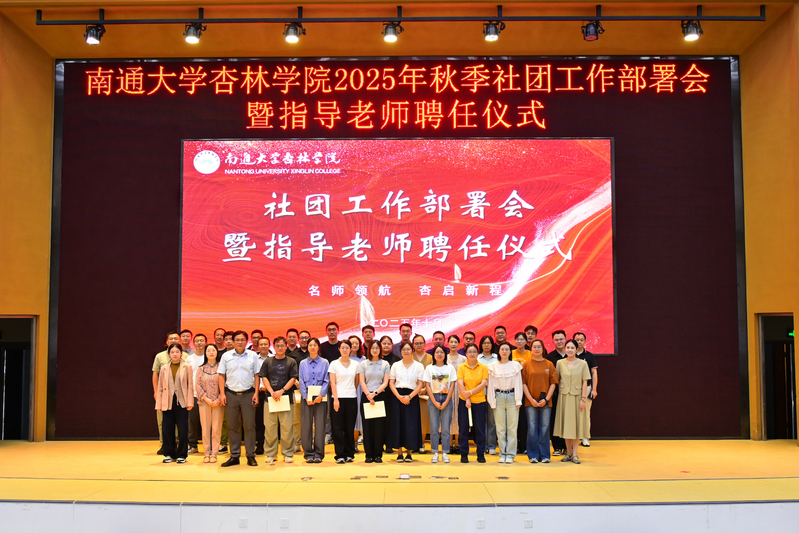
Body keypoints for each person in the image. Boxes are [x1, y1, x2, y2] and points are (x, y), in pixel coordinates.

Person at [218, 331, 260, 467]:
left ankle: (250, 456)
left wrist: (256, 393)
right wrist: (222, 394)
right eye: (237, 340)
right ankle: (234, 456)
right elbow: (221, 375)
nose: (240, 342)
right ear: (233, 341)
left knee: (249, 426)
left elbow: (257, 375)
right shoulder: (226, 356)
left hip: (248, 394)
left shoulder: (253, 355)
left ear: (247, 341)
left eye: (242, 340)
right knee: (232, 427)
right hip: (231, 394)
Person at [259, 336, 299, 464]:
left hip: (286, 398)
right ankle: (271, 453)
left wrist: (282, 391)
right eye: (277, 345)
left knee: (287, 427)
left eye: (282, 345)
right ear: (274, 347)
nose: (280, 348)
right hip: (270, 399)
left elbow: (293, 378)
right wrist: (271, 392)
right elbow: (264, 377)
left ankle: (288, 453)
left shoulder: (291, 361)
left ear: (286, 346)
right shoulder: (268, 361)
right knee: (270, 427)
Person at [155, 343, 194, 463]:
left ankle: (182, 454)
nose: (175, 354)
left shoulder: (187, 367)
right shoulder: (164, 368)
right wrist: (159, 404)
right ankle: (169, 454)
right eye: (172, 352)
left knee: (183, 429)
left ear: (181, 353)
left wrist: (190, 402)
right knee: (167, 429)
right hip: (167, 401)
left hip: (182, 402)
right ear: (169, 354)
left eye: (177, 352)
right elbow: (160, 387)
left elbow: (190, 385)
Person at [553, 339, 590, 464]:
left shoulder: (583, 363)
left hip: (577, 397)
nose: (569, 350)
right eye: (568, 347)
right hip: (564, 398)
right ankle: (568, 453)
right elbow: (557, 379)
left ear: (576, 349)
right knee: (566, 427)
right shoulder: (560, 363)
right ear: (565, 349)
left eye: (572, 348)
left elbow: (585, 381)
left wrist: (583, 399)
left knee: (576, 426)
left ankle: (575, 454)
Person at [522, 339, 558, 463]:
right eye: (534, 347)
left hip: (546, 403)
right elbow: (523, 383)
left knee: (544, 427)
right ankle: (533, 455)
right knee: (532, 427)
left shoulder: (549, 364)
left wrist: (546, 399)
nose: (537, 349)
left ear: (543, 349)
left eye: (539, 347)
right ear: (531, 349)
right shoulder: (526, 364)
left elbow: (553, 383)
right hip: (530, 402)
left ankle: (545, 455)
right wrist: (531, 399)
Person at [487, 342, 524, 464]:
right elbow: (490, 385)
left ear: (510, 352)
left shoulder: (515, 365)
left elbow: (518, 383)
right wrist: (492, 401)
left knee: (512, 427)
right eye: (502, 349)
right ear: (499, 351)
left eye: (506, 349)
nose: (504, 351)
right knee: (500, 428)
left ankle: (510, 454)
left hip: (512, 397)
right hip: (499, 397)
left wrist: (518, 399)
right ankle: (502, 453)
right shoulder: (493, 366)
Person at [388, 341, 424, 462]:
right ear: (401, 352)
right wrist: (399, 397)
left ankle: (409, 453)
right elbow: (391, 383)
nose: (406, 351)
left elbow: (420, 384)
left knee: (411, 425)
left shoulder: (419, 366)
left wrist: (409, 396)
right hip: (397, 396)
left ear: (413, 351)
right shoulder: (396, 365)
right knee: (397, 424)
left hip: (412, 397)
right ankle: (399, 453)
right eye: (404, 350)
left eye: (408, 349)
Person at [357, 340, 390, 463]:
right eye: (372, 348)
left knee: (379, 427)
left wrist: (374, 394)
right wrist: (368, 395)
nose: (375, 350)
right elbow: (361, 381)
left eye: (377, 348)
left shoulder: (385, 364)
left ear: (380, 349)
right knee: (367, 427)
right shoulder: (363, 364)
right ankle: (368, 455)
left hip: (380, 396)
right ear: (369, 350)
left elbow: (385, 383)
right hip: (366, 396)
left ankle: (378, 455)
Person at [423, 345, 457, 463]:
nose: (439, 354)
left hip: (447, 397)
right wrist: (434, 401)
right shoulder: (429, 368)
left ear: (445, 354)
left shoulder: (450, 368)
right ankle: (435, 452)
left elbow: (452, 385)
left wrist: (447, 401)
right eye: (437, 352)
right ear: (433, 354)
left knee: (446, 428)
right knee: (434, 428)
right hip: (433, 398)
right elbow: (427, 386)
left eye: (441, 352)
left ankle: (445, 452)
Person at [298, 338, 329, 463]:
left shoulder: (325, 362)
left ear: (318, 347)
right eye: (310, 345)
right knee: (306, 425)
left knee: (320, 425)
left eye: (314, 345)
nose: (312, 347)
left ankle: (319, 454)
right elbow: (301, 380)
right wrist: (305, 397)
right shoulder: (302, 363)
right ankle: (308, 453)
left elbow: (327, 380)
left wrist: (321, 395)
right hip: (306, 397)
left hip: (321, 398)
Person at [152, 331, 183, 454]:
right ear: (167, 341)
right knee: (163, 420)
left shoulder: (185, 356)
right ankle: (164, 444)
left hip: (180, 394)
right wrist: (156, 391)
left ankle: (179, 444)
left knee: (180, 421)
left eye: (176, 338)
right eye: (171, 338)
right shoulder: (160, 356)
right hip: (165, 393)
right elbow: (155, 374)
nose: (173, 340)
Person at [457, 344, 488, 463]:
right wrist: (467, 398)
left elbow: (483, 383)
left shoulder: (483, 367)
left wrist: (470, 393)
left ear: (478, 354)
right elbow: (460, 383)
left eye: (474, 351)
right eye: (470, 351)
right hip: (464, 401)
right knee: (463, 428)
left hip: (479, 401)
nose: (472, 354)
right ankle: (464, 454)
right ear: (466, 354)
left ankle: (480, 453)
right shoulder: (462, 367)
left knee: (480, 429)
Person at [329, 339, 359, 463]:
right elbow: (332, 383)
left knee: (349, 427)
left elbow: (356, 382)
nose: (345, 350)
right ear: (339, 349)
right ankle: (340, 454)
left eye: (347, 347)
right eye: (343, 347)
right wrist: (336, 399)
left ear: (350, 349)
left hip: (351, 398)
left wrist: (350, 391)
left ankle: (349, 453)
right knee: (337, 428)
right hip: (337, 399)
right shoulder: (334, 364)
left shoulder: (356, 364)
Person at [195, 344, 224, 463]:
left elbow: (225, 384)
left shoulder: (222, 367)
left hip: (218, 403)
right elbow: (197, 385)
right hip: (204, 402)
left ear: (217, 352)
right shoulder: (201, 368)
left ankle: (214, 454)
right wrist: (206, 399)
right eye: (208, 350)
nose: (211, 352)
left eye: (213, 350)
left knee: (216, 429)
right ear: (205, 353)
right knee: (205, 429)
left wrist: (218, 399)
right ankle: (206, 453)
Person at [574, 332, 599, 448]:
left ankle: (585, 437)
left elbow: (594, 373)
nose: (579, 342)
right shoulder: (570, 354)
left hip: (587, 387)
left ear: (585, 341)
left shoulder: (589, 356)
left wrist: (594, 389)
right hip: (573, 388)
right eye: (577, 340)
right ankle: (573, 437)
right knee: (573, 413)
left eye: (581, 340)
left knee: (585, 413)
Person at [546, 330, 568, 456]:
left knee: (569, 419)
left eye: (561, 339)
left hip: (570, 393)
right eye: (556, 339)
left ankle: (568, 446)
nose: (559, 341)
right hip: (555, 394)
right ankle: (558, 447)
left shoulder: (572, 355)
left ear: (565, 340)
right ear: (553, 341)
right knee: (555, 419)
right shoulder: (550, 358)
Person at [185, 333, 207, 454]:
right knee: (192, 422)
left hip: (208, 396)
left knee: (207, 422)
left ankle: (209, 447)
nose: (199, 343)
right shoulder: (190, 359)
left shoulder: (209, 357)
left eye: (201, 341)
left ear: (206, 342)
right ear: (194, 343)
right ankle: (193, 445)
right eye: (197, 341)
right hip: (193, 394)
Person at [287, 329, 308, 454]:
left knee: (311, 419)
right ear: (298, 340)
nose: (304, 340)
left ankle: (311, 442)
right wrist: (295, 380)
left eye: (306, 337)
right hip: (297, 390)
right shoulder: (292, 354)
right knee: (296, 418)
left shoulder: (314, 352)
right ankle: (297, 442)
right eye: (302, 338)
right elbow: (289, 371)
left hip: (311, 390)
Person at [511, 332, 532, 455]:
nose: (519, 341)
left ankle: (523, 445)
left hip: (526, 388)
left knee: (524, 419)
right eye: (517, 339)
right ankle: (514, 446)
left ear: (526, 341)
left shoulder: (530, 354)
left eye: (522, 339)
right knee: (514, 419)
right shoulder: (511, 353)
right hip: (512, 388)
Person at [320, 322, 341, 444]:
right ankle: (328, 433)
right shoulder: (322, 347)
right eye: (329, 330)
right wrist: (327, 381)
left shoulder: (342, 345)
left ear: (338, 331)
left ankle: (339, 433)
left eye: (334, 329)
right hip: (326, 384)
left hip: (341, 383)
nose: (332, 332)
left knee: (339, 409)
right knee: (327, 410)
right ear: (326, 332)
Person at [477, 335, 498, 456]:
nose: (486, 345)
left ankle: (491, 446)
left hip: (494, 393)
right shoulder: (478, 358)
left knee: (492, 421)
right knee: (481, 421)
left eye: (488, 343)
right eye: (484, 343)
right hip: (480, 393)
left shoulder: (497, 358)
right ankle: (482, 446)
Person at [412, 334, 433, 454]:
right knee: (412, 419)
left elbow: (433, 375)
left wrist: (425, 388)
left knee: (423, 420)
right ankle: (412, 443)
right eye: (416, 343)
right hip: (411, 393)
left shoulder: (430, 358)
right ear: (413, 345)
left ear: (425, 344)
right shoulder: (409, 357)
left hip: (426, 394)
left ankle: (422, 443)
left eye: (421, 343)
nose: (419, 345)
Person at [446, 334, 467, 454]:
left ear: (459, 344)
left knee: (459, 415)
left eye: (455, 342)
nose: (453, 344)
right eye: (451, 342)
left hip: (460, 390)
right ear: (448, 343)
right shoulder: (444, 358)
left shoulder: (463, 359)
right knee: (448, 415)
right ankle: (449, 443)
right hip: (447, 389)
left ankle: (458, 443)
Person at [254, 337, 272, 455]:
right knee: (259, 421)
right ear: (258, 346)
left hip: (271, 393)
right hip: (258, 393)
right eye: (261, 344)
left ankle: (270, 445)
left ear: (269, 345)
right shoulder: (253, 358)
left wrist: (268, 387)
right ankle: (259, 445)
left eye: (266, 344)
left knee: (271, 421)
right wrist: (259, 387)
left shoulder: (274, 358)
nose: (263, 346)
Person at [348, 335, 366, 451]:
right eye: (352, 343)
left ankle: (359, 440)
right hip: (348, 389)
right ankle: (351, 442)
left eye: (356, 343)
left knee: (360, 415)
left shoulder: (363, 359)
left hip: (361, 389)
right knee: (350, 416)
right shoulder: (343, 359)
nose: (354, 345)